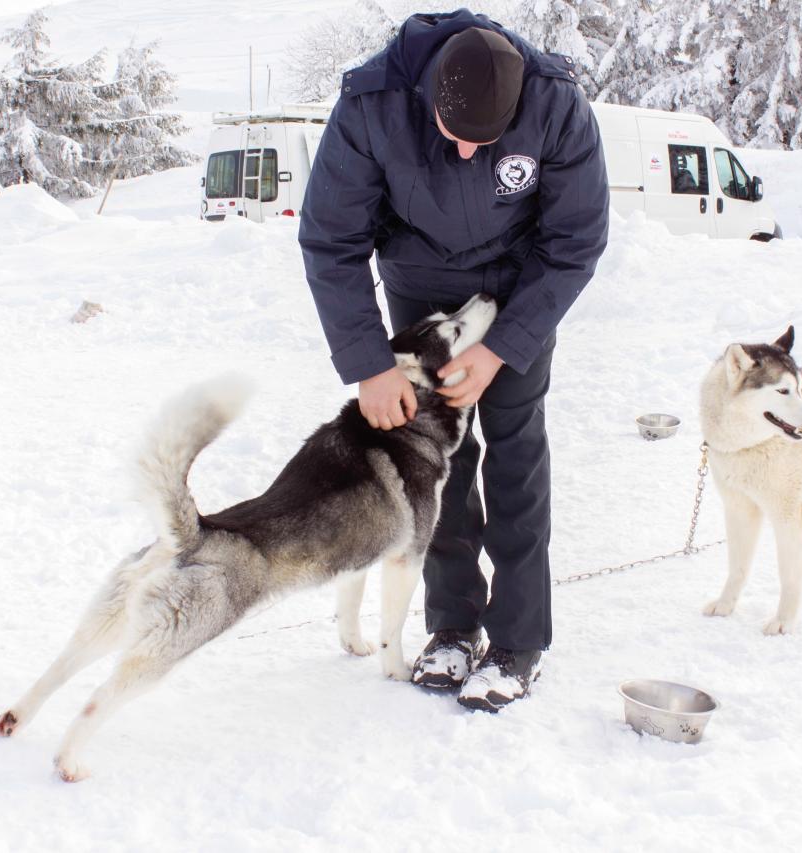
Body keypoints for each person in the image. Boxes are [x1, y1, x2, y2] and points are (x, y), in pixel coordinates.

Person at [298, 10, 610, 711]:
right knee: (432, 461)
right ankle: (452, 623)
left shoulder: (556, 103)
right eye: (455, 137)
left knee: (515, 448)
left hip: (517, 290)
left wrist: (503, 347)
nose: (469, 154)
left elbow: (575, 242)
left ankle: (519, 637)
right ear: (429, 95)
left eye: (487, 143)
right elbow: (330, 241)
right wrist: (370, 365)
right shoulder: (373, 104)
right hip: (421, 281)